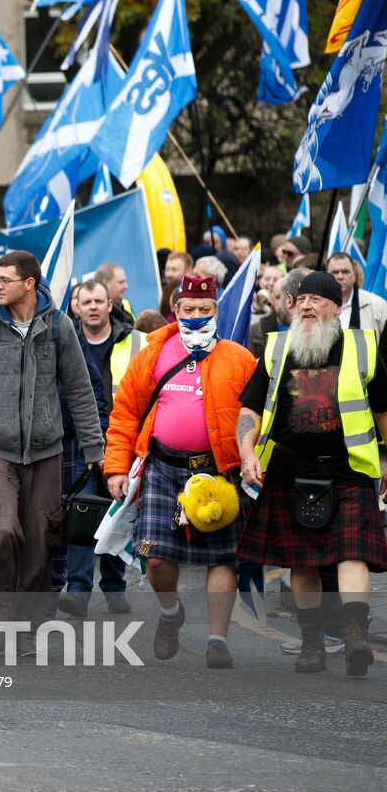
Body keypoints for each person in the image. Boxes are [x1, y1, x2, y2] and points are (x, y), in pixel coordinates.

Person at [236, 271, 387, 677]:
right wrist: (246, 451)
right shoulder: (276, 349)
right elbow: (249, 408)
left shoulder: (361, 347)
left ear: (336, 308)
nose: (306, 306)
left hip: (349, 466)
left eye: (317, 300)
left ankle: (355, 636)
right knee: (300, 562)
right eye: (301, 299)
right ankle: (312, 643)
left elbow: (383, 411)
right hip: (289, 467)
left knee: (351, 552)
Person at [105, 275, 256, 669]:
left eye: (204, 310)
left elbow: (256, 414)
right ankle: (171, 613)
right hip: (162, 467)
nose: (195, 316)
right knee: (153, 557)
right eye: (188, 309)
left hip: (218, 472)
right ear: (176, 310)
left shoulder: (239, 359)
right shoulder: (154, 352)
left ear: (216, 311)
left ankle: (216, 640)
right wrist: (116, 467)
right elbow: (125, 414)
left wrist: (252, 460)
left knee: (222, 559)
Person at [0, 251, 103, 656]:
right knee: (3, 531)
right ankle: (0, 624)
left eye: (5, 279)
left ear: (29, 283)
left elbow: (79, 390)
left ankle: (29, 624)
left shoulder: (59, 327)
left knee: (41, 537)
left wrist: (94, 448)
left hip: (46, 452)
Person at [59, 280, 138, 616]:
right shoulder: (67, 341)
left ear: (110, 305)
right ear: (76, 307)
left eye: (98, 301)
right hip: (76, 442)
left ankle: (114, 587)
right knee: (81, 512)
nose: (91, 306)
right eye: (84, 301)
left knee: (114, 512)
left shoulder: (133, 342)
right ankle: (77, 589)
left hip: (121, 439)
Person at [249, 268, 308, 360]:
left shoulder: (308, 327)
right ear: (271, 299)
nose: (282, 302)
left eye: (285, 298)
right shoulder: (256, 330)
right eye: (277, 297)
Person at [325, 252, 387, 335]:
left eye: (345, 271)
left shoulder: (377, 304)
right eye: (335, 272)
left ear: (354, 275)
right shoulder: (316, 305)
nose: (340, 276)